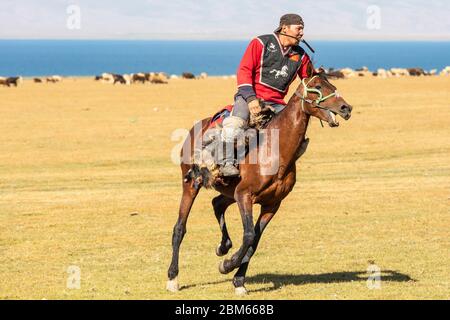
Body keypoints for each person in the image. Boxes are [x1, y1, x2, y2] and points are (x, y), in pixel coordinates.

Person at [219, 13, 314, 176]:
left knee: (298, 135)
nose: (301, 33)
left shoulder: (301, 55)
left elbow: (309, 79)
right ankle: (226, 164)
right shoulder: (261, 43)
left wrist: (318, 75)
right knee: (234, 125)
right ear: (285, 27)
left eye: (302, 29)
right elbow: (244, 71)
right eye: (299, 28)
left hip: (277, 103)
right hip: (250, 96)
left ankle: (282, 168)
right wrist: (251, 99)